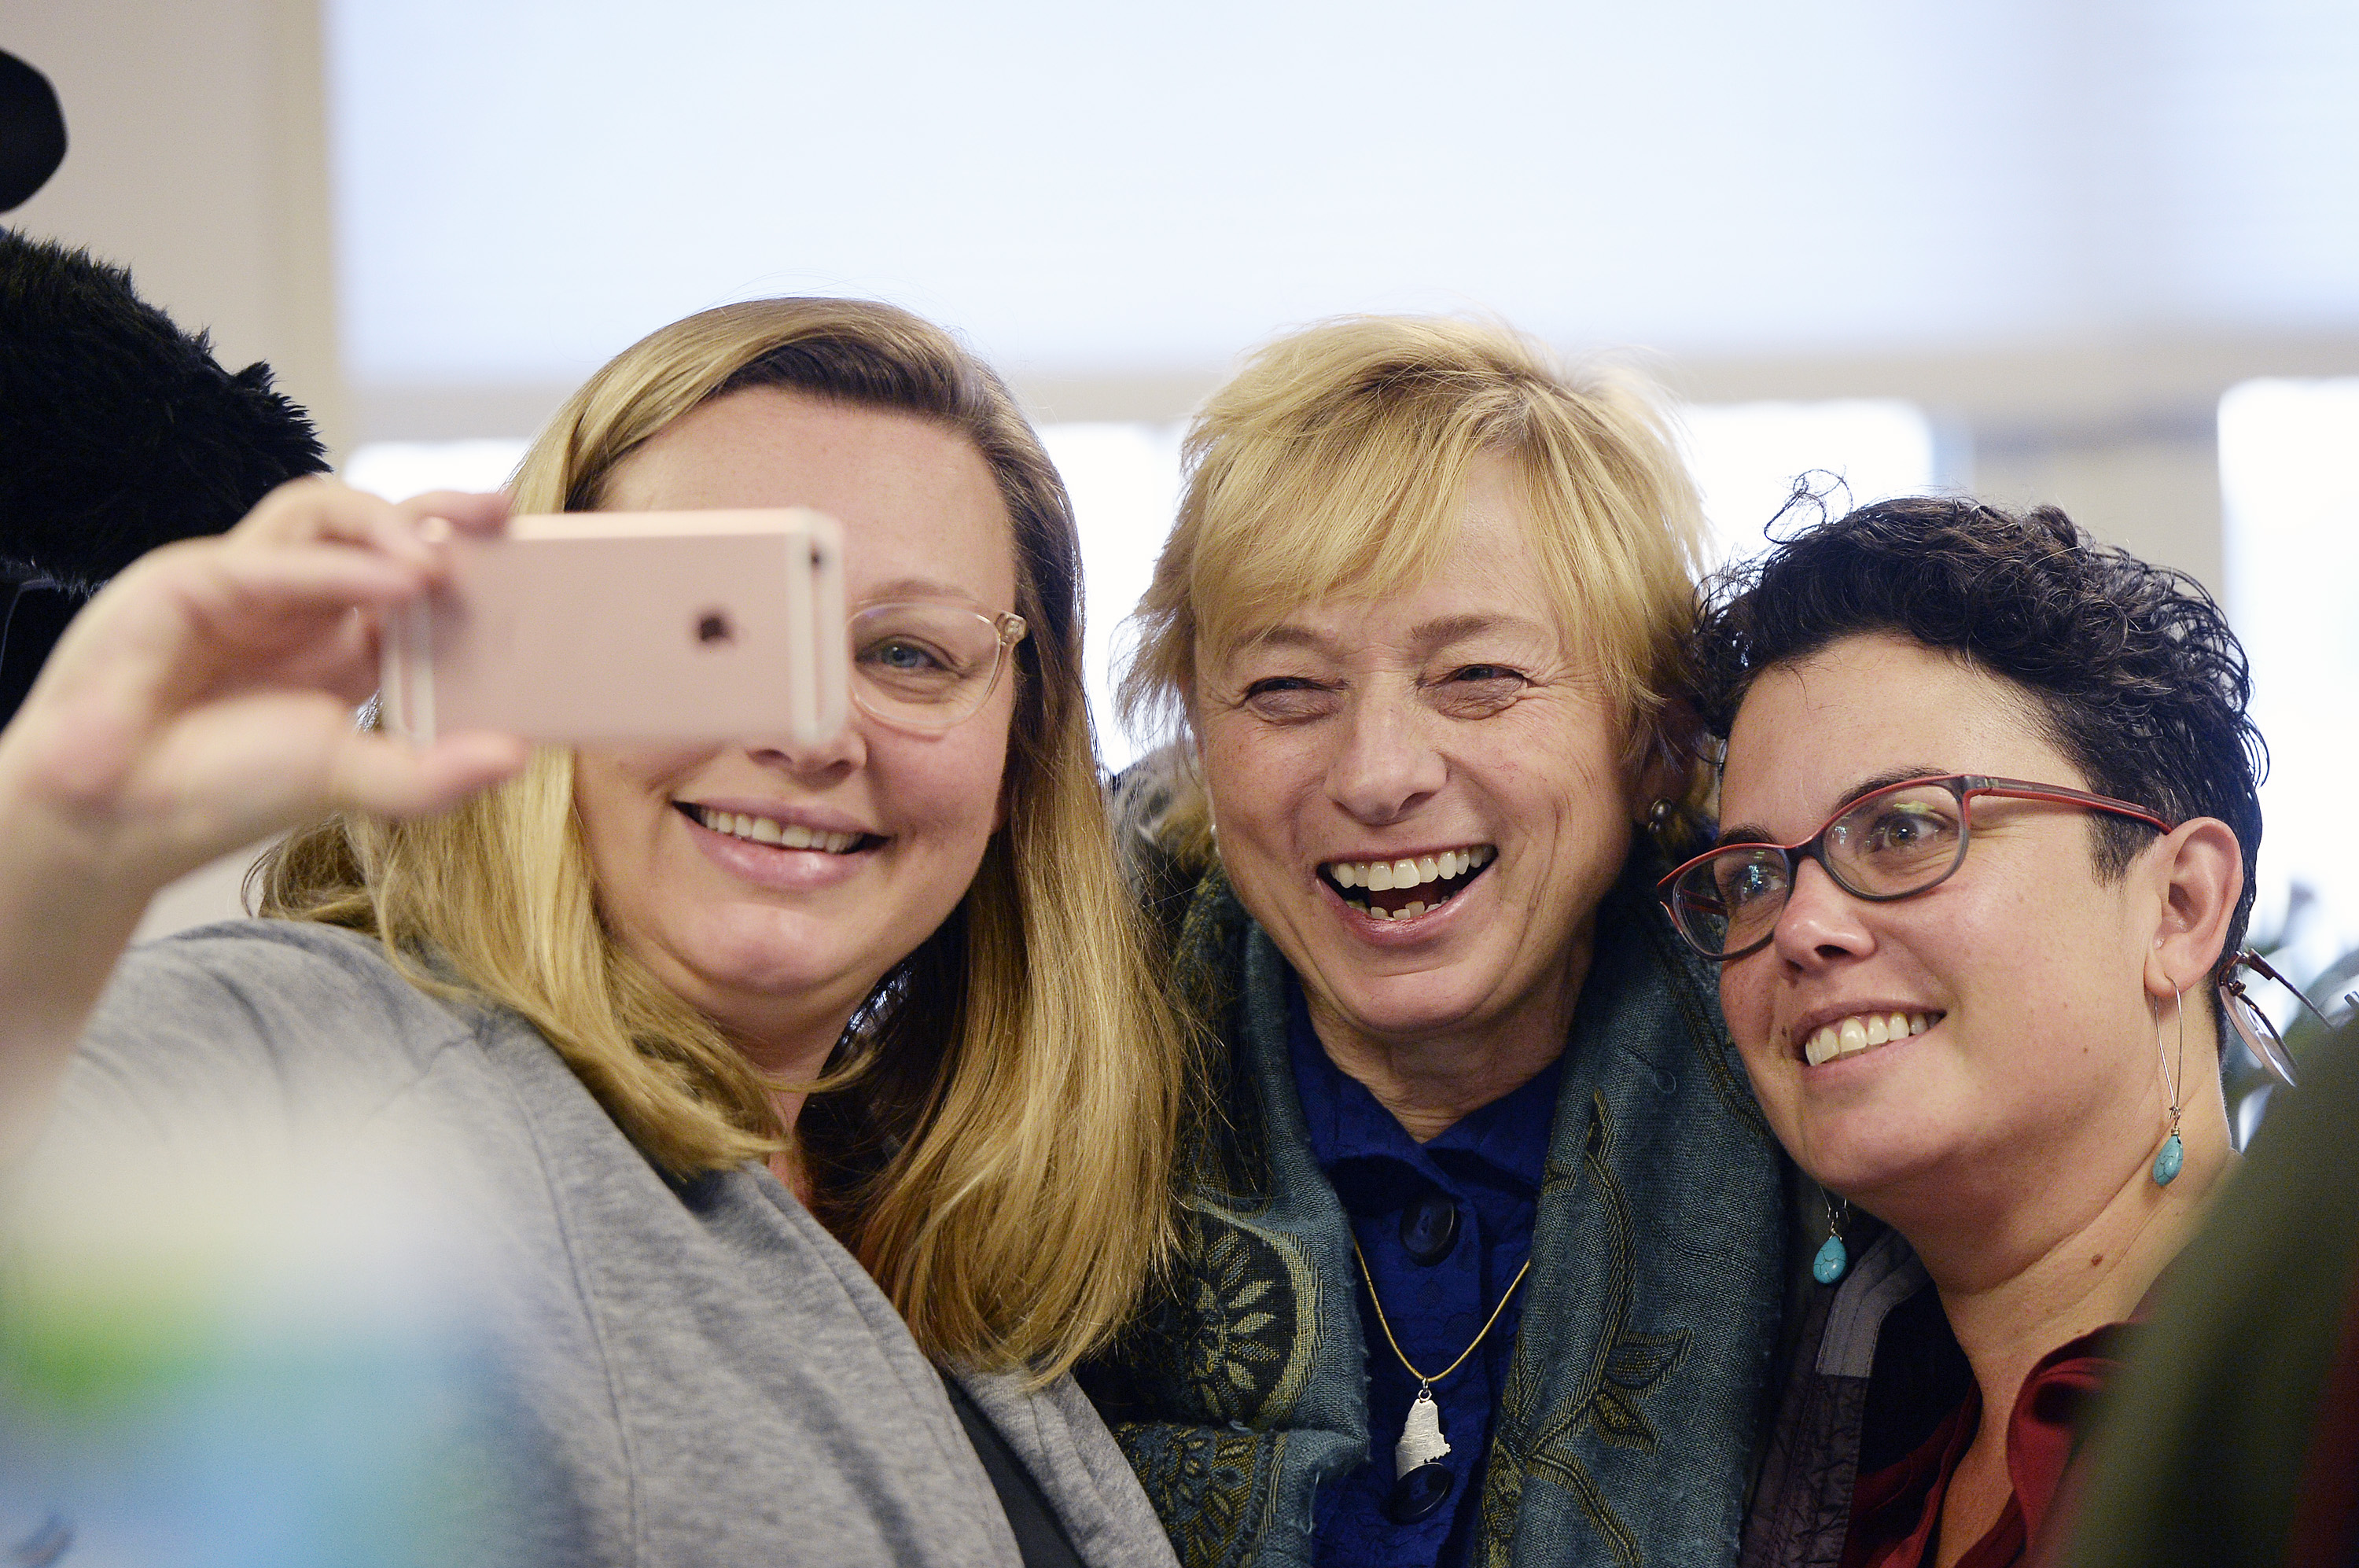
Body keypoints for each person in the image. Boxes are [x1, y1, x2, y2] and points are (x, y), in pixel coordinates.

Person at [0, 297, 1189, 1567]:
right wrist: (50, 850)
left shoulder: (897, 1210)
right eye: (711, 627)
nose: (810, 731)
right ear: (535, 654)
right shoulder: (323, 1061)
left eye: (906, 652)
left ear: (1021, 752)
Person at [1081, 316, 1792, 1568]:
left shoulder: (1829, 1106)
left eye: (1477, 676)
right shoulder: (1027, 1085)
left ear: (1652, 739)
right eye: (1288, 688)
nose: (1378, 774)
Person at [1666, 496, 2283, 1567]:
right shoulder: (1819, 1469)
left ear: (2180, 904)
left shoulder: (2307, 1401)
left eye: (1905, 826)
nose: (1801, 926)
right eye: (1754, 874)